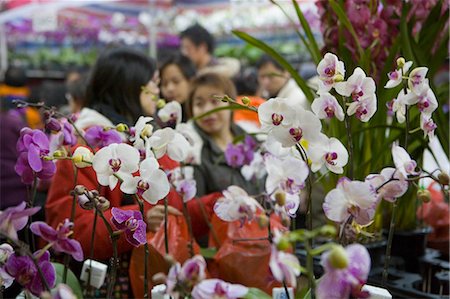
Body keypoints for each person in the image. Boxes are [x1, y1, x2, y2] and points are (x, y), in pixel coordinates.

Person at [186, 72, 264, 197]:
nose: (207, 110)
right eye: (199, 104)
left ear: (231, 103)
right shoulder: (194, 154)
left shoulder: (253, 138)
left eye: (215, 101)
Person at [159, 53, 196, 121]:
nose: (170, 88)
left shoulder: (201, 115)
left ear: (191, 81)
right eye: (164, 84)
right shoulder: (161, 119)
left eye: (176, 81)